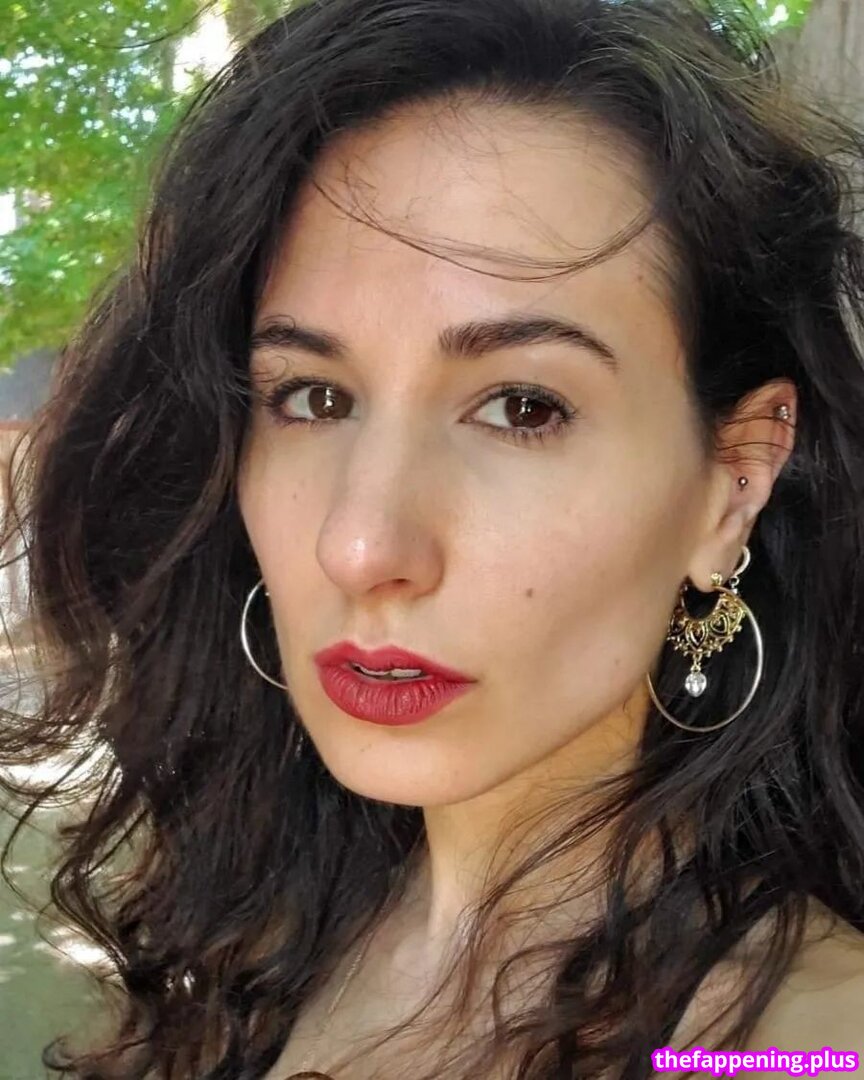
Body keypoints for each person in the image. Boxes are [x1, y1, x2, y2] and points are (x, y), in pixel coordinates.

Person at [2, 0, 864, 1076]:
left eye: (522, 407)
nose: (361, 547)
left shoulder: (809, 1043)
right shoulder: (244, 936)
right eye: (314, 397)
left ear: (733, 482)